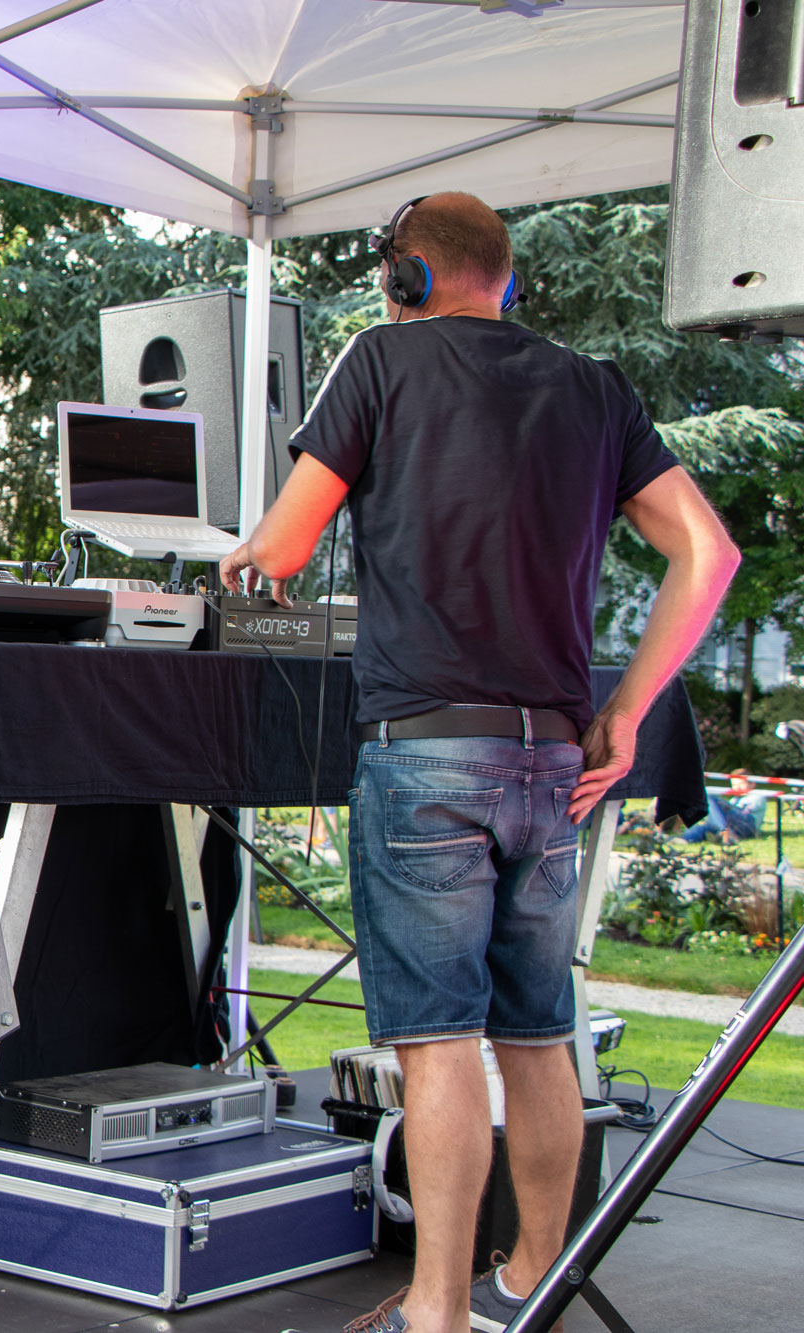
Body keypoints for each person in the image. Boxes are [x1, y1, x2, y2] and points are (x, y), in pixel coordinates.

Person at [219, 192, 739, 1333]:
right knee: (538, 1033)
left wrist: (247, 553)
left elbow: (288, 545)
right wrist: (628, 706)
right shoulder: (595, 390)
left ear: (404, 278)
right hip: (552, 759)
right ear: (504, 278)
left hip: (423, 754)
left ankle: (435, 1313)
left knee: (439, 1040)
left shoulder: (380, 359)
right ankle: (527, 1284)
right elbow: (708, 551)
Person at [680, 768, 771, 845]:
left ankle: (724, 831)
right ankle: (686, 839)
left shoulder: (756, 796)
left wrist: (721, 807)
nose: (737, 788)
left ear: (752, 784)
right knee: (704, 826)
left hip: (748, 825)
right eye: (734, 785)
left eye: (741, 784)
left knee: (710, 798)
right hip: (733, 827)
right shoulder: (734, 799)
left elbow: (742, 813)